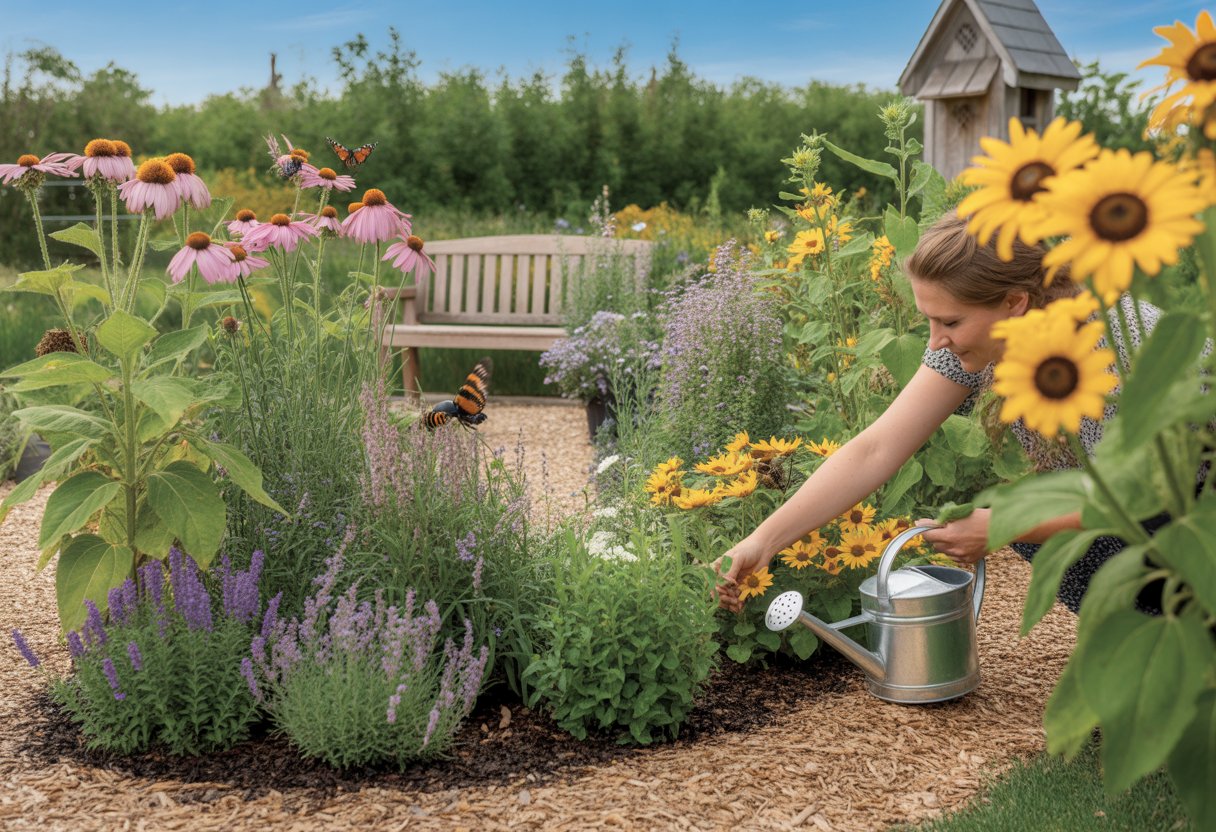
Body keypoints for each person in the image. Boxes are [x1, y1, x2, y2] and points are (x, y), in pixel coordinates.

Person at [716, 210, 1159, 616]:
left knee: (1036, 522)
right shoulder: (989, 335)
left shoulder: (1116, 352)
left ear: (1014, 302)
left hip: (1191, 522)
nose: (934, 342)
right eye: (929, 320)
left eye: (949, 322)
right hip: (1127, 510)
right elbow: (876, 447)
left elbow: (1137, 498)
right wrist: (764, 540)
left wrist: (1007, 523)